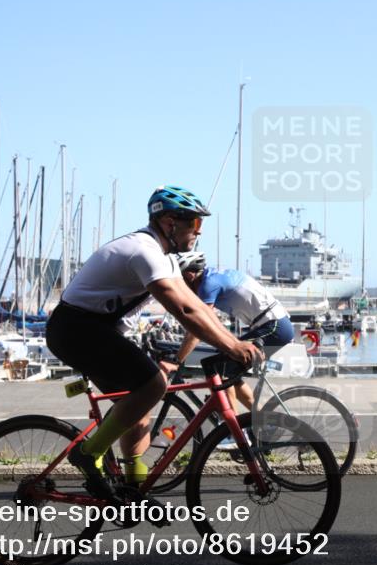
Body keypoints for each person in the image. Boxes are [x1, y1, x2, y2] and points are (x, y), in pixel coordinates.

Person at [44, 186, 261, 496]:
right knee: (154, 385)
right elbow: (182, 309)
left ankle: (132, 488)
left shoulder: (166, 257)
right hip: (76, 328)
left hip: (92, 330)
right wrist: (232, 348)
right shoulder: (144, 251)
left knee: (137, 405)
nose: (198, 232)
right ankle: (88, 454)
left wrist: (232, 341)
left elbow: (197, 306)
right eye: (195, 224)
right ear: (170, 223)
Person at [165, 251, 294, 412]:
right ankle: (262, 418)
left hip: (275, 326)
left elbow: (198, 328)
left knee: (221, 370)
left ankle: (231, 428)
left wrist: (177, 360)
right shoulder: (211, 277)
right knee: (228, 372)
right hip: (270, 323)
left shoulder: (208, 284)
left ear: (190, 275)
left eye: (181, 281)